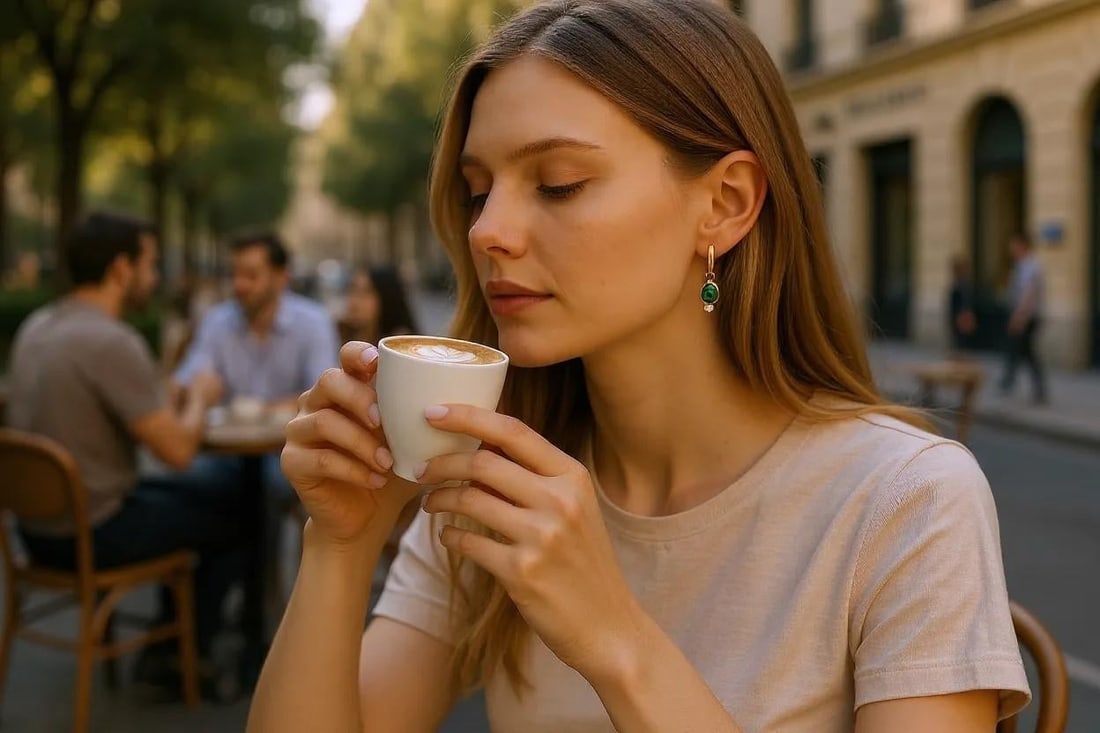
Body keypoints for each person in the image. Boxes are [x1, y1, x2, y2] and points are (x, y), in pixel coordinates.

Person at [249, 2, 1030, 732]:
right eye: (477, 190)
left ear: (724, 203)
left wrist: (614, 635)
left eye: (558, 183)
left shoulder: (907, 501)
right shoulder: (492, 483)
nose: (487, 230)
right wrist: (341, 544)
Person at [7, 211, 245, 691]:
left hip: (33, 533)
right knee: (236, 513)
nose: (155, 278)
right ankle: (177, 654)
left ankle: (170, 638)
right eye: (150, 264)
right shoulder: (110, 340)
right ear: (121, 268)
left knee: (207, 490)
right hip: (94, 532)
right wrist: (200, 396)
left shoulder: (37, 324)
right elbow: (177, 452)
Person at [173, 232, 340, 500]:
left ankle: (269, 543)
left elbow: (322, 394)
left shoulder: (313, 322)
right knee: (194, 478)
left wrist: (260, 410)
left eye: (251, 275)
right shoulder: (218, 321)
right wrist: (185, 387)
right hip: (227, 452)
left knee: (275, 481)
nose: (239, 284)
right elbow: (190, 377)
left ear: (281, 277)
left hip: (288, 445)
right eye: (235, 274)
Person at [1000, 233, 1047, 404]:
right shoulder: (1022, 265)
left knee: (1021, 351)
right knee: (1025, 352)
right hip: (1022, 315)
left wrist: (1019, 317)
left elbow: (1029, 293)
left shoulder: (1031, 265)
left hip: (1026, 317)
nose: (1011, 249)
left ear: (1022, 245)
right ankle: (1014, 383)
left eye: (1013, 245)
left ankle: (1008, 382)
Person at [338, 265, 420, 346]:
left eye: (365, 292)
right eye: (352, 290)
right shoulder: (346, 334)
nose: (354, 301)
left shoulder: (399, 344)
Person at [948, 255, 977, 354]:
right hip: (958, 318)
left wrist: (964, 317)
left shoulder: (962, 285)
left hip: (960, 318)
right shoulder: (961, 284)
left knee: (961, 345)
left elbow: (965, 304)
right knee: (960, 345)